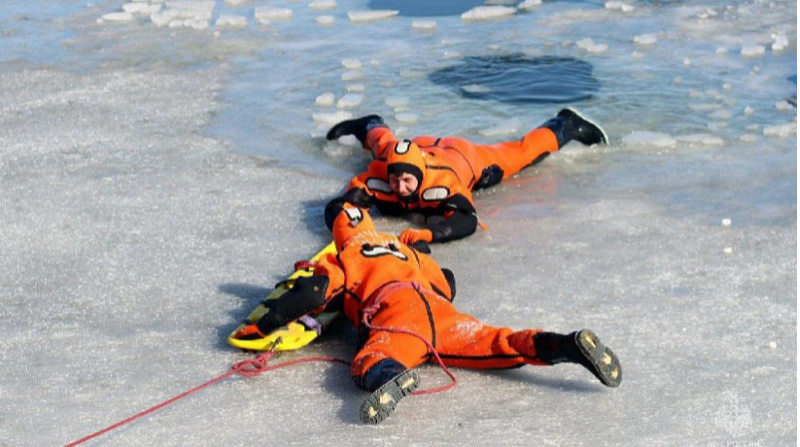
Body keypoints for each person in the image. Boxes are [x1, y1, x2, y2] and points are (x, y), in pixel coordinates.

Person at [243, 202, 622, 424]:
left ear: (338, 231)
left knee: (372, 357)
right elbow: (448, 282)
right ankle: (566, 344)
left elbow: (314, 291)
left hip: (397, 318)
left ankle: (391, 376)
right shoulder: (405, 249)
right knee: (499, 341)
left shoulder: (345, 256)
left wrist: (265, 323)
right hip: (440, 311)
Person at [324, 108, 608, 245]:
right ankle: (370, 121)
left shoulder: (444, 186)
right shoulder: (382, 173)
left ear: (420, 180)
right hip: (418, 147)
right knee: (383, 144)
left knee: (519, 155)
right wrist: (350, 225)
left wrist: (428, 233)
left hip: (460, 156)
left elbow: (467, 221)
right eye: (395, 179)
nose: (399, 187)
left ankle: (566, 124)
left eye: (407, 181)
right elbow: (341, 205)